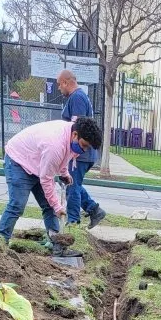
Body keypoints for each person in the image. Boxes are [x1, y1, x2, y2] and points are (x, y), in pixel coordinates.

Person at [0, 116, 103, 246]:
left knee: (49, 206)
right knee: (17, 205)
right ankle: (0, 243)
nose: (84, 150)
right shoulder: (55, 144)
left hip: (38, 162)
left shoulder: (71, 137)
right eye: (84, 145)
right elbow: (46, 179)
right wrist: (57, 207)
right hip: (18, 161)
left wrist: (64, 173)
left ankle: (57, 244)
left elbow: (65, 155)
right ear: (75, 134)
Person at [57, 69, 106, 229]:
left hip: (79, 154)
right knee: (74, 185)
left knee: (72, 187)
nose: (59, 88)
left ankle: (73, 222)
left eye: (59, 84)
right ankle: (94, 210)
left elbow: (77, 130)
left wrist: (74, 152)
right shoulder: (79, 96)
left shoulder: (77, 98)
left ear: (65, 82)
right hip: (83, 153)